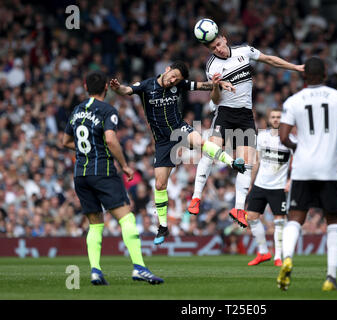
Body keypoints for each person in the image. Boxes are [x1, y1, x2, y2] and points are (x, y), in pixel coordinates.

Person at [110, 61, 246, 245]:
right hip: (162, 142)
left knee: (200, 142)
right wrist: (118, 88)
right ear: (166, 70)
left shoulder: (178, 85)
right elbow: (126, 91)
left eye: (177, 79)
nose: (173, 80)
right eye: (172, 76)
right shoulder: (147, 85)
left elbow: (202, 85)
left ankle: (232, 162)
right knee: (159, 184)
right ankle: (163, 227)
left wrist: (218, 84)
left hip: (179, 129)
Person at [188, 32, 304, 229]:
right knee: (210, 151)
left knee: (246, 164)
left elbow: (268, 59)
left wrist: (294, 67)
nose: (218, 49)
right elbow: (215, 99)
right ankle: (196, 196)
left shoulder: (244, 51)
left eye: (218, 44)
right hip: (224, 113)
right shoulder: (212, 66)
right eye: (213, 48)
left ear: (223, 38)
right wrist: (215, 86)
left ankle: (239, 209)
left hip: (245, 116)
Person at [63, 70, 164, 285]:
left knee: (95, 224)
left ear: (85, 86)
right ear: (106, 89)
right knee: (126, 218)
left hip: (81, 174)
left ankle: (95, 271)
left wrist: (87, 152)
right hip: (103, 172)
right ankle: (139, 268)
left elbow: (65, 141)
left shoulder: (77, 110)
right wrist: (125, 165)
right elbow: (110, 139)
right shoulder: (107, 110)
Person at [277, 57, 337, 291]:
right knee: (334, 220)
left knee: (295, 218)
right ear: (325, 74)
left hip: (302, 167)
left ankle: (288, 258)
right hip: (329, 168)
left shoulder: (294, 100)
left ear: (304, 77)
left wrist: (298, 148)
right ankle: (331, 277)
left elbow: (283, 137)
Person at [246, 109, 292, 267]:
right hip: (260, 185)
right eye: (273, 117)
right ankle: (263, 251)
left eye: (279, 117)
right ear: (269, 119)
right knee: (251, 217)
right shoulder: (262, 137)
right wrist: (251, 183)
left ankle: (278, 256)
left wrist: (290, 181)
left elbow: (298, 163)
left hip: (279, 187)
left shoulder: (290, 140)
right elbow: (256, 161)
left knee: (279, 222)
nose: (276, 119)